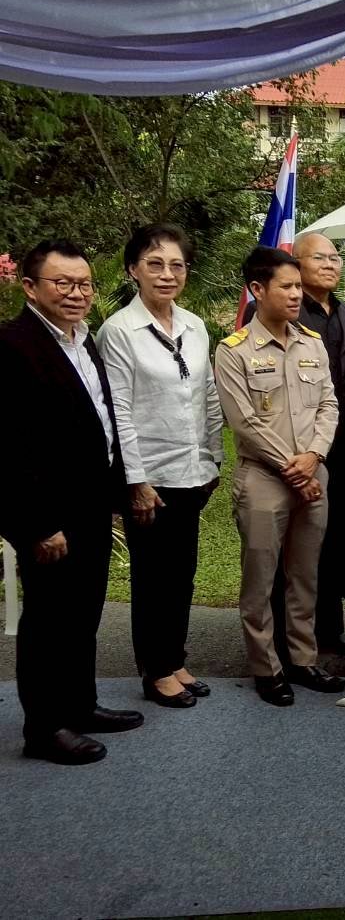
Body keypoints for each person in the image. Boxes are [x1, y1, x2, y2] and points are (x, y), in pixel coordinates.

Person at [0, 239, 143, 763]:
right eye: (62, 283)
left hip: (90, 506)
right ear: (30, 287)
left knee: (82, 614)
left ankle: (80, 704)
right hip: (48, 516)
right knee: (46, 622)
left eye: (83, 283)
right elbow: (8, 449)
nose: (76, 292)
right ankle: (44, 727)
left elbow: (99, 423)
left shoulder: (83, 341)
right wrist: (36, 525)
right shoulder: (13, 346)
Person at [97, 223, 223, 709]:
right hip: (149, 477)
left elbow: (208, 395)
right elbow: (119, 412)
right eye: (155, 264)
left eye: (176, 265)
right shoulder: (120, 332)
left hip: (193, 469)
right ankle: (155, 670)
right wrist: (136, 481)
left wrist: (214, 456)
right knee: (152, 577)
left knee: (183, 572)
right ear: (133, 270)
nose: (167, 274)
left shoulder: (193, 325)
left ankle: (175, 658)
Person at [215, 246, 345, 706]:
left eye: (298, 286)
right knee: (261, 577)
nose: (296, 294)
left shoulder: (312, 343)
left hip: (313, 473)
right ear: (257, 290)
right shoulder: (233, 351)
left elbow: (330, 404)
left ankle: (303, 659)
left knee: (304, 575)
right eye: (286, 287)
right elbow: (244, 424)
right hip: (264, 480)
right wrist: (296, 468)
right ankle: (265, 666)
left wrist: (313, 457)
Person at [246, 232, 345, 656]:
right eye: (321, 258)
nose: (332, 264)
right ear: (295, 264)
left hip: (338, 442)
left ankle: (327, 632)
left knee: (331, 539)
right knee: (288, 549)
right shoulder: (286, 317)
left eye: (337, 257)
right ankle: (285, 640)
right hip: (291, 449)